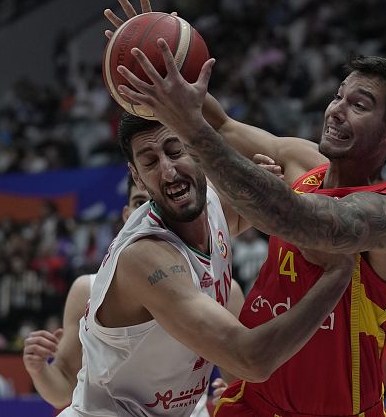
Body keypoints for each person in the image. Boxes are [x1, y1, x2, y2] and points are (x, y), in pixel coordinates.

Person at [110, 0, 386, 416]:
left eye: (359, 105)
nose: (336, 110)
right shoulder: (302, 161)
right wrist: (157, 62)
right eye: (338, 96)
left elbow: (299, 219)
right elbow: (219, 124)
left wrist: (190, 129)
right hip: (252, 404)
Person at [57, 114, 354, 417]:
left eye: (174, 151)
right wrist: (338, 273)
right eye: (150, 162)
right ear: (136, 176)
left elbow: (252, 203)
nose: (168, 171)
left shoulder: (210, 203)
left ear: (196, 148)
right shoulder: (146, 258)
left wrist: (270, 192)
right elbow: (251, 360)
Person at [24, 168, 256, 413]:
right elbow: (63, 389)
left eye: (155, 202)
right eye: (139, 203)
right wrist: (39, 369)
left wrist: (230, 396)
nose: (149, 211)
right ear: (127, 215)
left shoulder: (227, 288)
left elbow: (239, 378)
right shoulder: (87, 288)